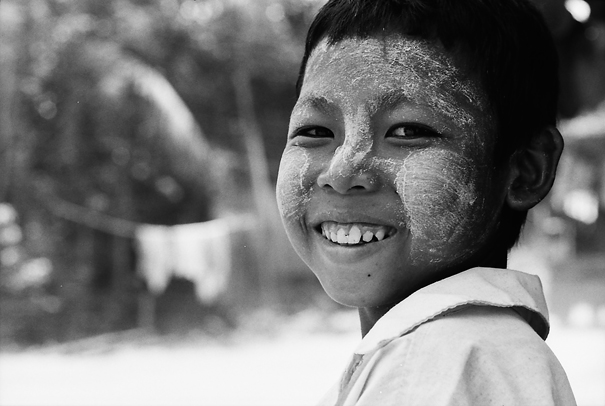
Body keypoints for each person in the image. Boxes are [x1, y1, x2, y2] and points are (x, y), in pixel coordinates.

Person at [275, 0, 577, 404]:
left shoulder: (437, 366)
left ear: (524, 170)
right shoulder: (462, 353)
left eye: (407, 130)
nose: (341, 172)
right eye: (315, 131)